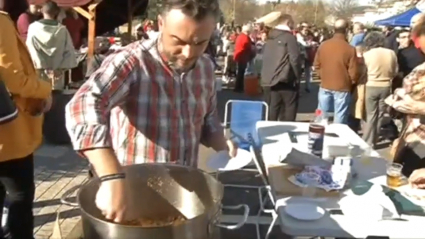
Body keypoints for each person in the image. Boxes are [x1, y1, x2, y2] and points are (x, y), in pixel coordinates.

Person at [65, 0, 237, 223]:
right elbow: (84, 103)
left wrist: (221, 141)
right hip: (131, 196)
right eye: (179, 41)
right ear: (161, 23)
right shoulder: (133, 61)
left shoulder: (205, 67)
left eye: (199, 42)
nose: (187, 53)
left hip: (183, 194)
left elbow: (207, 119)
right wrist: (111, 177)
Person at [0, 0, 52, 238]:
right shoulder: (0, 22)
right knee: (20, 196)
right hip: (8, 135)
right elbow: (14, 80)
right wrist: (44, 89)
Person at [314, 19, 358, 124]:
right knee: (340, 114)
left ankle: (318, 131)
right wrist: (351, 81)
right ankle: (337, 136)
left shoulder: (323, 45)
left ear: (334, 29)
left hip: (325, 84)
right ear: (347, 30)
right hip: (342, 86)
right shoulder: (350, 49)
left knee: (321, 112)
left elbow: (316, 64)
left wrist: (322, 76)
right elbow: (353, 71)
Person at [26, 0, 77, 91]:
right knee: (56, 100)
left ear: (41, 10)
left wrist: (44, 67)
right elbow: (69, 51)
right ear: (57, 12)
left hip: (39, 73)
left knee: (40, 98)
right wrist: (60, 69)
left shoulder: (33, 28)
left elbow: (30, 49)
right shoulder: (62, 30)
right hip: (57, 75)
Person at [261, 14, 301, 121]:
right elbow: (295, 59)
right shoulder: (289, 37)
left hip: (271, 79)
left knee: (273, 108)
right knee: (289, 108)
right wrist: (297, 78)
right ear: (288, 23)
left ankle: (270, 131)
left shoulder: (270, 38)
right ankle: (288, 131)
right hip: (286, 79)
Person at [361, 32, 398, 148]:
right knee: (381, 114)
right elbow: (395, 71)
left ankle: (367, 140)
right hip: (386, 85)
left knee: (370, 115)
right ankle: (375, 138)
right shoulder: (391, 53)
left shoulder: (367, 54)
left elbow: (363, 72)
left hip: (371, 85)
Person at [234, 24, 254, 92]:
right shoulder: (245, 37)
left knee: (240, 72)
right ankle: (239, 87)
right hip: (243, 56)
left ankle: (239, 87)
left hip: (239, 56)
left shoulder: (240, 36)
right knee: (241, 73)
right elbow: (247, 47)